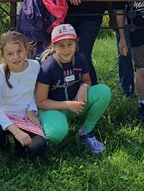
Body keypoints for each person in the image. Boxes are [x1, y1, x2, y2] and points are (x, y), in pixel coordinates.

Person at [36, 24, 111, 154]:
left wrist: (84, 86)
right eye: (61, 45)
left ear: (76, 44)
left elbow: (87, 80)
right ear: (54, 46)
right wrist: (67, 105)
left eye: (69, 44)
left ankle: (86, 132)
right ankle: (45, 130)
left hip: (75, 104)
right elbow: (40, 102)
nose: (66, 50)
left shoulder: (80, 59)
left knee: (103, 91)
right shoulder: (48, 67)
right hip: (53, 109)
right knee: (56, 135)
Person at [0, 31, 47, 161]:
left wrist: (31, 108)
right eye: (10, 54)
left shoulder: (35, 66)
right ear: (3, 55)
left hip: (25, 116)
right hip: (5, 116)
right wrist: (16, 131)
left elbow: (36, 91)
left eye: (19, 51)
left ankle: (21, 148)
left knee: (39, 147)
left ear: (27, 49)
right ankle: (3, 146)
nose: (16, 57)